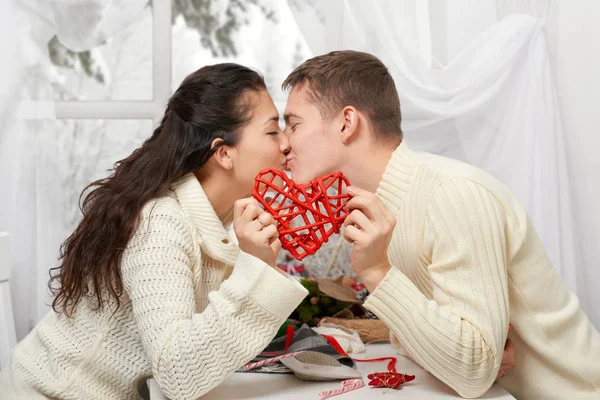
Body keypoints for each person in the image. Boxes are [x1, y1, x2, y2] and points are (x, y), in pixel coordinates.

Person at [281, 50, 600, 399]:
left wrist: (378, 272)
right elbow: (449, 349)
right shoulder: (382, 211)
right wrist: (460, 356)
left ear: (347, 122)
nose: (284, 143)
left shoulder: (452, 195)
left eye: (294, 125)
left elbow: (471, 372)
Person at [0, 63, 308, 399]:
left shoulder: (224, 224)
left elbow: (207, 352)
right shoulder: (160, 223)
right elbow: (178, 375)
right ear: (223, 153)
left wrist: (255, 263)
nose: (286, 144)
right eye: (272, 131)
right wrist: (255, 268)